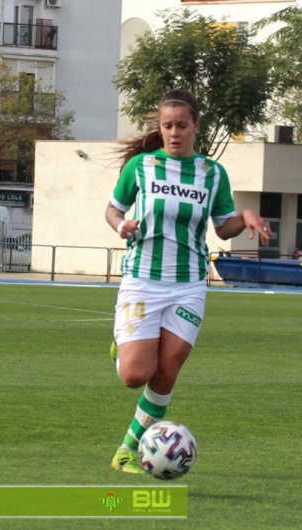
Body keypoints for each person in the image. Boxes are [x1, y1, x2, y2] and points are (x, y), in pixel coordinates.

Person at [104, 88, 272, 473]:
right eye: (167, 126)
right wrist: (121, 225)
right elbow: (113, 209)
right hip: (143, 278)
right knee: (134, 375)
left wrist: (245, 215)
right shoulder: (141, 167)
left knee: (168, 370)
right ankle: (121, 346)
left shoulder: (212, 173)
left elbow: (224, 228)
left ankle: (126, 452)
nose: (174, 132)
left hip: (189, 283)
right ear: (160, 129)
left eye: (182, 125)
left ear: (196, 126)